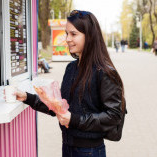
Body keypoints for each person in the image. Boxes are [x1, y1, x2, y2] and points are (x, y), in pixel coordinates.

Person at [14, 10, 126, 157]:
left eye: (73, 34)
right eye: (66, 33)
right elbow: (60, 106)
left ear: (90, 36)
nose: (67, 39)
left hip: (90, 151)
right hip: (67, 147)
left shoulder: (104, 72)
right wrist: (28, 98)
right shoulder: (71, 67)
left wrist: (74, 119)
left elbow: (114, 116)